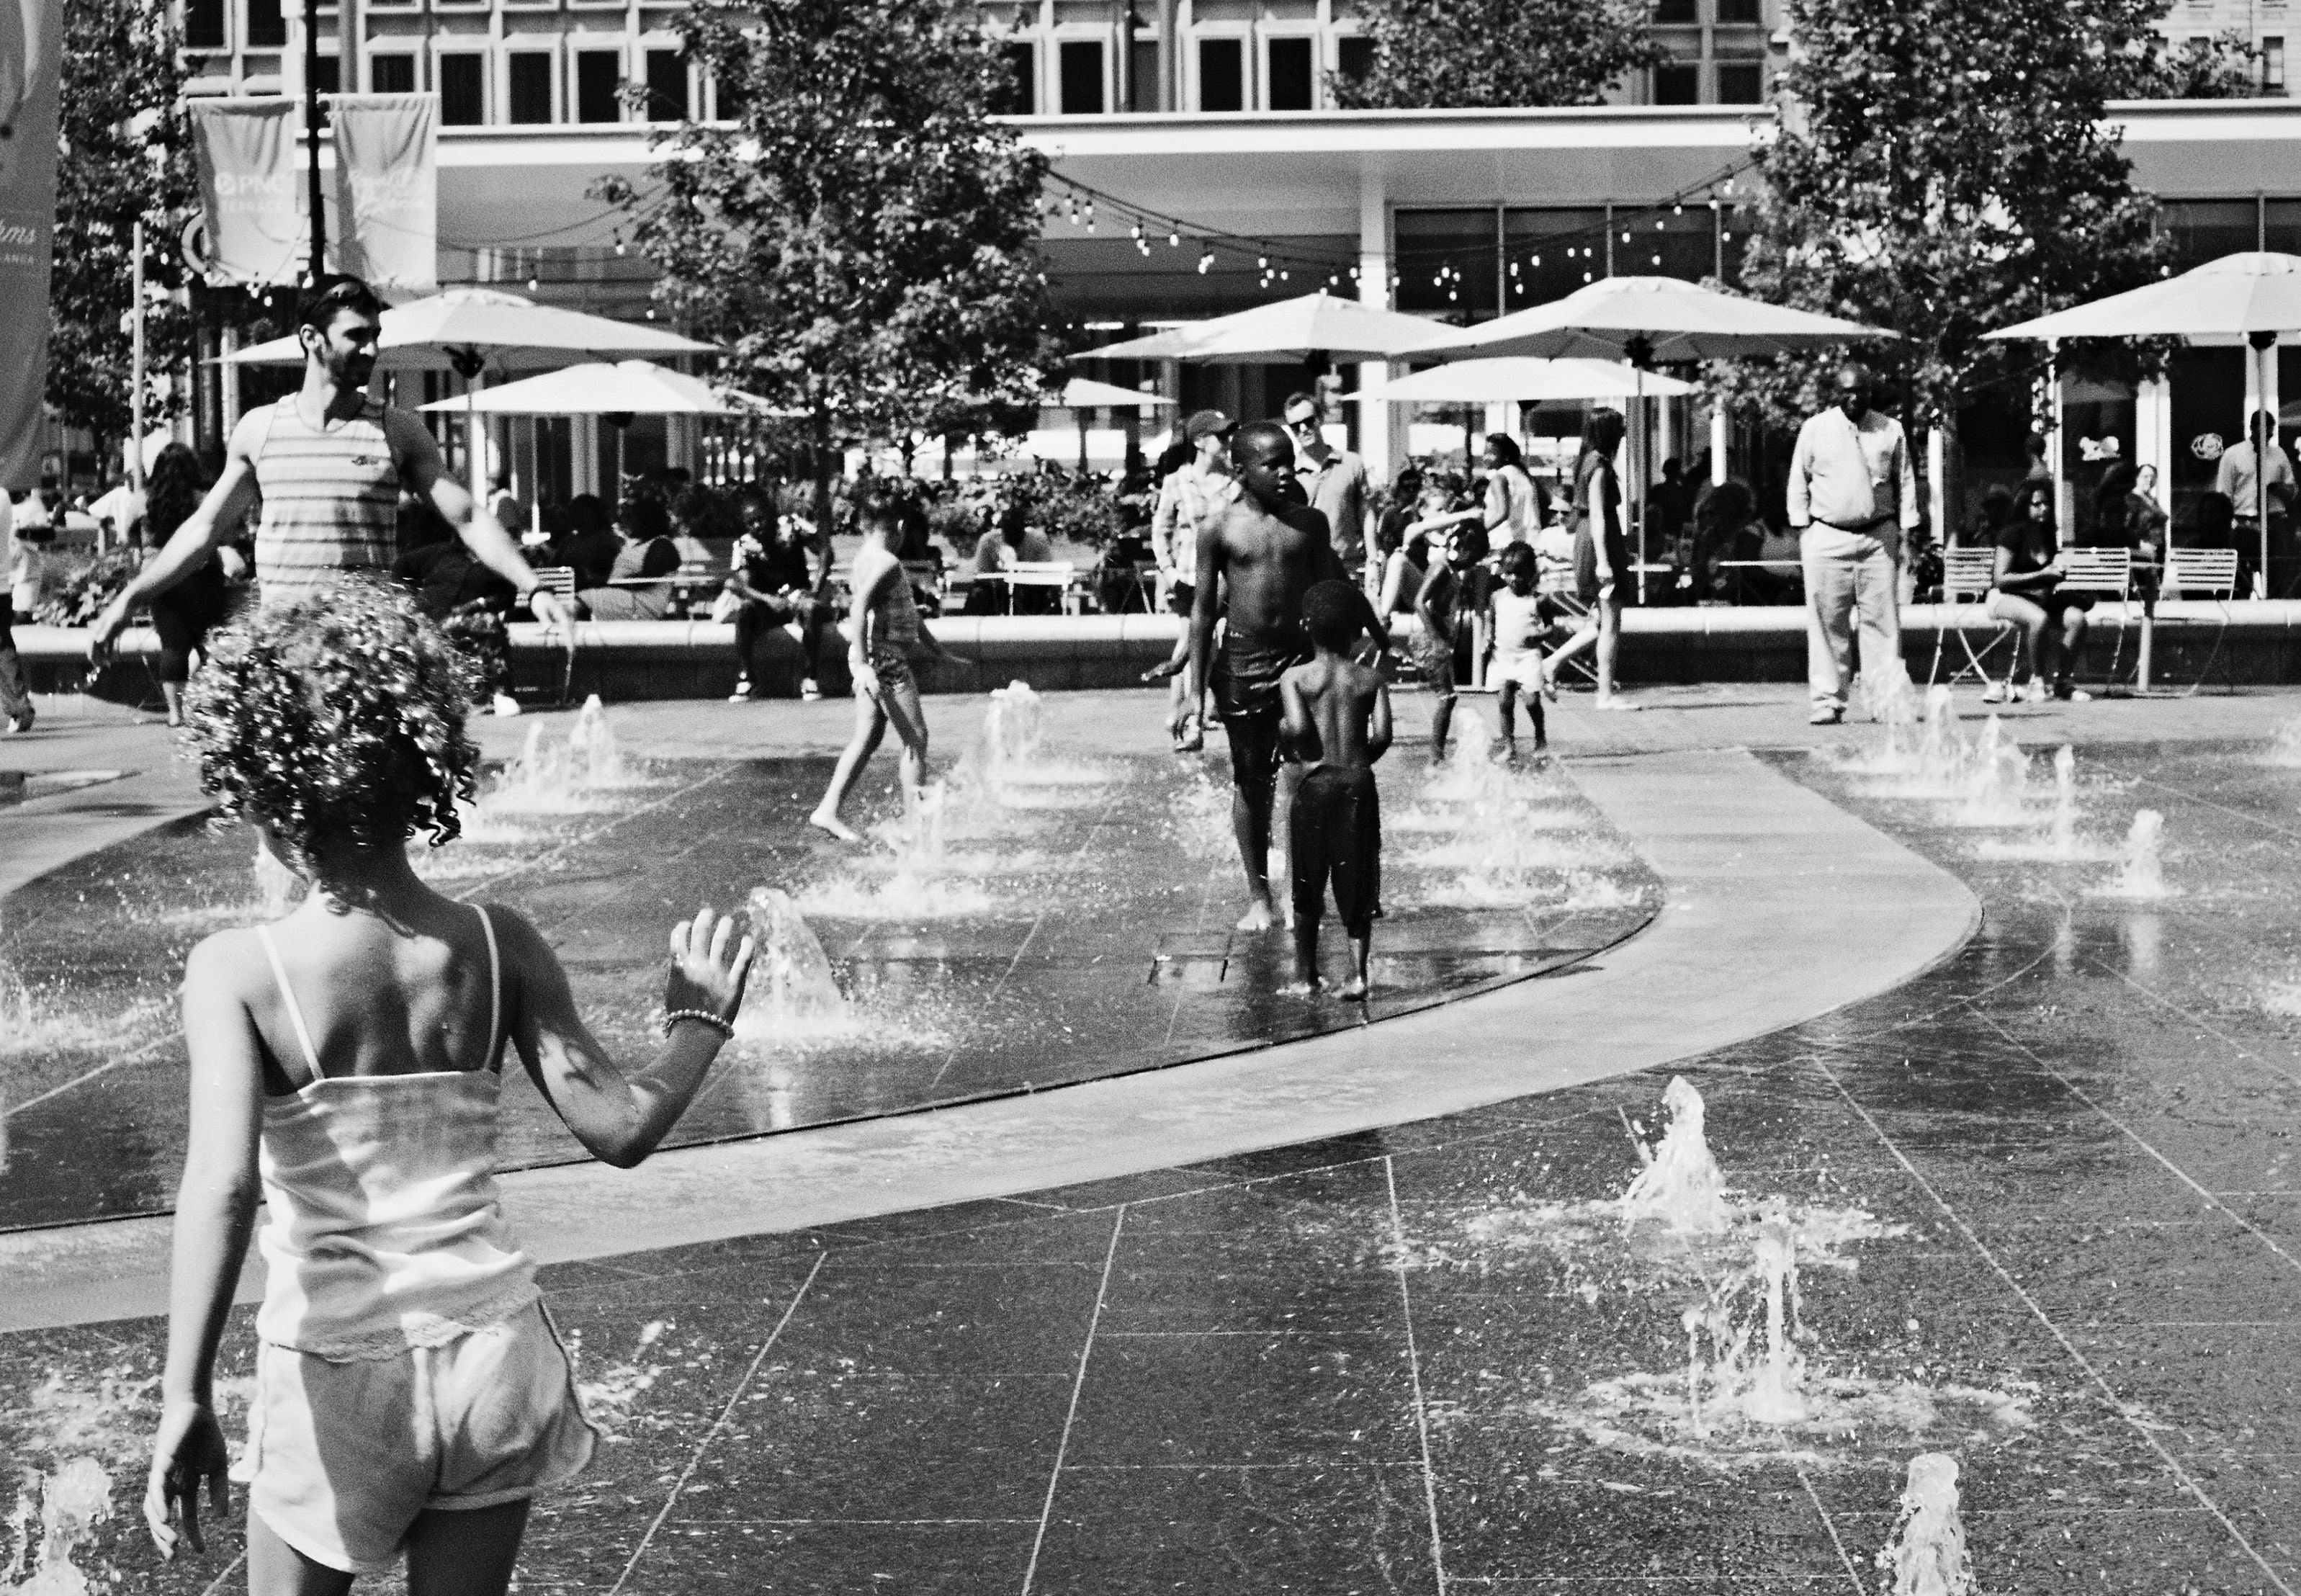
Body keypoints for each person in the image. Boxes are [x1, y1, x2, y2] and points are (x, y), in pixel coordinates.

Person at [140, 582, 755, 1596]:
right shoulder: (497, 943)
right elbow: (622, 1127)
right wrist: (697, 1026)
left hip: (339, 1363)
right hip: (495, 1353)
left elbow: (221, 1189)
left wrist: (182, 1394)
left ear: (264, 785)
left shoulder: (238, 971)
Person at [90, 276, 568, 658]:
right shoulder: (260, 430)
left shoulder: (397, 430)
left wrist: (534, 587)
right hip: (284, 652)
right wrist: (128, 599)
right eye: (356, 336)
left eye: (376, 336)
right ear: (311, 339)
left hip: (366, 652)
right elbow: (203, 533)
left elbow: (467, 518)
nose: (372, 349)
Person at [1189, 421, 1351, 932]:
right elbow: (1201, 613)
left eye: (1289, 461)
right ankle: (1259, 895)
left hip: (1301, 663)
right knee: (1252, 781)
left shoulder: (1310, 524)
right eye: (1271, 464)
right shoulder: (1217, 528)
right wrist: (1193, 692)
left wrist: (1347, 657)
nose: (1285, 473)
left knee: (1312, 773)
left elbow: (1330, 592)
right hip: (1242, 665)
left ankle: (1308, 886)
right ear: (1239, 471)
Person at [810, 485, 966, 843]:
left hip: (871, 657)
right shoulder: (887, 562)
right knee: (917, 739)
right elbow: (859, 608)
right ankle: (916, 830)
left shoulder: (865, 559)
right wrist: (866, 666)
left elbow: (906, 613)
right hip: (884, 660)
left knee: (868, 737)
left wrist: (936, 650)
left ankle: (828, 809)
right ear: (897, 526)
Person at [1785, 362, 1918, 726]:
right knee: (1828, 623)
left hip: (1878, 538)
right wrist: (1803, 531)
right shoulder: (1815, 429)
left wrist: (1907, 531)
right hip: (1826, 536)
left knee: (1883, 623)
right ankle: (1828, 700)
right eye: (1846, 391)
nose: (1853, 397)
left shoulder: (1891, 429)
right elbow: (1798, 479)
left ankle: (1884, 701)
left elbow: (1904, 481)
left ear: (1871, 392)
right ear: (1835, 393)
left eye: (1860, 390)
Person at [1279, 579, 1391, 1000]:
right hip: (1357, 786)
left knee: (1308, 883)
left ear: (1305, 626)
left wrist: (1282, 734)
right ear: (1355, 631)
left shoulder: (1295, 678)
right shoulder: (1372, 679)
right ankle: (1358, 975)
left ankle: (1306, 977)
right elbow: (1382, 737)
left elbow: (1302, 730)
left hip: (1313, 786)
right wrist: (1358, 763)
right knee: (1358, 878)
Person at [1144, 410, 1239, 751]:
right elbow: (1160, 530)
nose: (1227, 441)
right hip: (1188, 574)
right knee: (1191, 641)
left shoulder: (1235, 481)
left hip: (1228, 577)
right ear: (1199, 441)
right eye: (1220, 436)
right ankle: (1182, 715)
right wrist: (1167, 572)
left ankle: (1204, 710)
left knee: (1222, 641)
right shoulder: (1177, 480)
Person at [1540, 408, 1633, 709]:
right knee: (1611, 622)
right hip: (1598, 543)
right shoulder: (1600, 465)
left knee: (1600, 620)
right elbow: (1596, 513)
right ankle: (1604, 695)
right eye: (1620, 426)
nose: (1624, 431)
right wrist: (1604, 561)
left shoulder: (1587, 461)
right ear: (1608, 431)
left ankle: (1552, 662)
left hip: (1592, 539)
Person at [143, 442, 242, 727]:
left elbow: (129, 538)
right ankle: (214, 708)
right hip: (203, 576)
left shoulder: (143, 500)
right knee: (209, 645)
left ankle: (176, 713)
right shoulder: (206, 499)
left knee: (173, 647)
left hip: (161, 580)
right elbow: (226, 536)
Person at [1984, 480, 2092, 704]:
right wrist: (2042, 575)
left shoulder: (2047, 536)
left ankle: (2063, 682)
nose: (2044, 508)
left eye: (2047, 504)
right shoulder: (2011, 534)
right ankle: (2038, 681)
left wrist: (2056, 575)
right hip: (2003, 598)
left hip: (2037, 597)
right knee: (2039, 619)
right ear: (2024, 506)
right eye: (2037, 504)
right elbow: (2000, 579)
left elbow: (2046, 576)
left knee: (2077, 619)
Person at [394, 536, 522, 717]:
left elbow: (508, 599)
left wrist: (478, 604)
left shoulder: (498, 564)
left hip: (469, 618)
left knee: (489, 624)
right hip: (426, 616)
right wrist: (403, 596)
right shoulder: (442, 551)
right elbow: (401, 565)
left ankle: (501, 694)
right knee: (409, 631)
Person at [726, 490, 831, 701]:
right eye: (751, 522)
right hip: (766, 603)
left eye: (760, 519)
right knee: (744, 611)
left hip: (798, 596)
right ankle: (747, 677)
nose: (756, 525)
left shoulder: (790, 525)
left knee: (811, 609)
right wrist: (768, 600)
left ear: (770, 514)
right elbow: (741, 585)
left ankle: (810, 678)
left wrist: (816, 588)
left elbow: (825, 550)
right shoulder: (743, 544)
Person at [1415, 524, 1489, 763]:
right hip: (1429, 640)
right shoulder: (1441, 570)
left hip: (1439, 638)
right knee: (1447, 698)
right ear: (1464, 549)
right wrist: (1436, 639)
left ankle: (1436, 757)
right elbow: (1419, 602)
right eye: (1474, 557)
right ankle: (1434, 760)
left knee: (1448, 698)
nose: (1474, 563)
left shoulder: (1450, 569)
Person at [1283, 390, 1371, 583]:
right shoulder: (1289, 476)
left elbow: (1367, 514)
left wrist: (1373, 561)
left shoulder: (1352, 463)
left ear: (1320, 419)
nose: (1304, 429)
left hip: (1351, 567)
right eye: (1296, 426)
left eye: (1309, 421)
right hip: (1309, 570)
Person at [1489, 542, 1564, 752]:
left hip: (1527, 656)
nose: (1513, 579)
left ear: (1531, 573)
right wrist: (1488, 640)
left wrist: (1539, 636)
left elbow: (1551, 627)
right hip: (1503, 656)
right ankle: (1508, 745)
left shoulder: (1538, 600)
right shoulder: (1497, 598)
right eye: (1509, 573)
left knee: (1531, 702)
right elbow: (1493, 623)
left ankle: (1540, 737)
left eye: (1519, 574)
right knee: (1504, 702)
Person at [2215, 407, 2296, 593]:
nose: (2267, 438)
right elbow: (2223, 494)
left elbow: (2292, 491)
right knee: (2241, 580)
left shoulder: (2279, 454)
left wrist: (2278, 488)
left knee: (2277, 578)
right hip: (2245, 524)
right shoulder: (2233, 455)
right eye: (2263, 433)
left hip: (2274, 522)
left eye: (2270, 434)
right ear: (2252, 429)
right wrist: (2228, 525)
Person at [579, 496, 679, 620]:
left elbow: (647, 580)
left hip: (642, 603)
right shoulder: (637, 544)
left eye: (633, 517)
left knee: (582, 600)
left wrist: (607, 582)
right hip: (624, 596)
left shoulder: (662, 545)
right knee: (576, 598)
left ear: (646, 519)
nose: (629, 521)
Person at [1479, 434, 1544, 548]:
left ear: (1506, 456)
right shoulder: (1527, 478)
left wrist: (1478, 532)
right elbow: (1545, 505)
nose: (1485, 458)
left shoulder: (1499, 478)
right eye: (1485, 453)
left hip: (1504, 545)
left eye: (1492, 453)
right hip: (1532, 543)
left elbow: (1502, 513)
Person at [0, 489, 30, 735]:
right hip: (2, 586)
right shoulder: (3, 496)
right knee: (3, 646)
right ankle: (19, 706)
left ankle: (19, 707)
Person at [552, 494, 620, 591]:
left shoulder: (606, 540)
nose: (573, 516)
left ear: (592, 515)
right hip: (564, 588)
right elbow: (554, 566)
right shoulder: (570, 540)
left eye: (578, 512)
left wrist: (586, 575)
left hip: (593, 592)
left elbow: (609, 575)